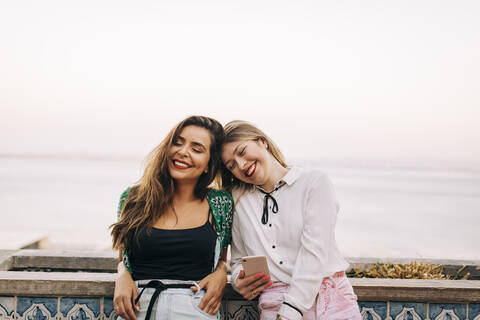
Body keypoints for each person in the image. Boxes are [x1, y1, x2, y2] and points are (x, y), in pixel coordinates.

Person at [221, 120, 361, 320]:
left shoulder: (314, 182)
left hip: (330, 301)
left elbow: (315, 254)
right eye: (231, 165)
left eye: (242, 151)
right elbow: (237, 260)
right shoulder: (238, 200)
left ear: (262, 142)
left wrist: (289, 313)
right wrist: (238, 279)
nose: (241, 165)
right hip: (273, 303)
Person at [110, 116, 233, 320]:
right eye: (177, 142)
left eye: (197, 149)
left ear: (208, 164)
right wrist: (122, 274)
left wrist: (222, 272)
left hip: (195, 309)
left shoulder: (221, 203)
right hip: (137, 308)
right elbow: (124, 257)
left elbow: (221, 258)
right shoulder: (133, 198)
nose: (183, 152)